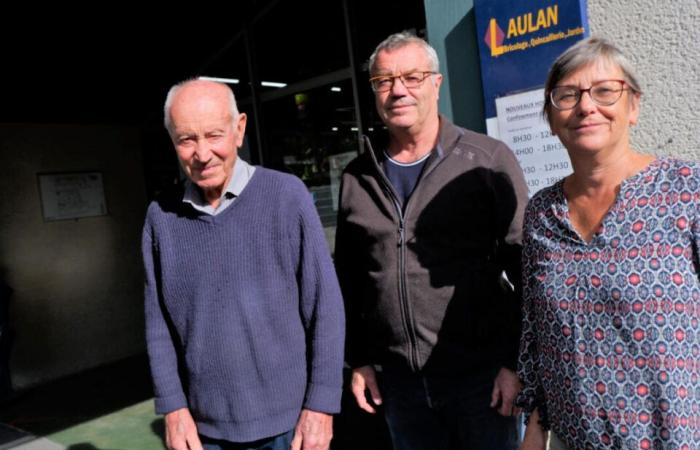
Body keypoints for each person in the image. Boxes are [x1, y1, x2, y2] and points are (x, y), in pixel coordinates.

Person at [334, 32, 528, 450]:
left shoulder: (486, 161)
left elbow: (524, 269)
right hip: (400, 385)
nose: (397, 90)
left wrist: (515, 364)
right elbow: (349, 279)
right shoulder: (357, 176)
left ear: (436, 83)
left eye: (412, 77)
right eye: (383, 81)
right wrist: (361, 359)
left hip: (482, 380)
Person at [517, 36, 700, 450]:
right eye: (568, 95)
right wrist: (534, 422)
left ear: (632, 106)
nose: (586, 106)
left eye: (604, 91)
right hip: (572, 438)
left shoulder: (687, 191)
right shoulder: (542, 213)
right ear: (551, 116)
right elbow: (534, 332)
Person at [142, 79, 345, 450]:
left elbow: (325, 308)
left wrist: (321, 404)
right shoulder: (161, 217)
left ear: (239, 130)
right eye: (186, 139)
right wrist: (172, 407)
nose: (202, 153)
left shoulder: (287, 197)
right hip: (204, 430)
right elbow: (158, 323)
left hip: (291, 424)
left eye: (214, 135)